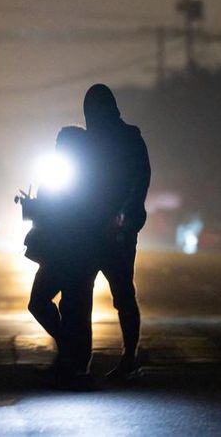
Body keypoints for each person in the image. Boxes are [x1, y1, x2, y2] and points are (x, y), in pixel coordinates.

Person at [25, 126, 102, 388]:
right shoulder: (68, 174)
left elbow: (68, 212)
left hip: (73, 252)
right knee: (57, 305)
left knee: (73, 307)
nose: (59, 148)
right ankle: (70, 358)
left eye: (63, 143)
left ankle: (75, 365)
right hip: (62, 251)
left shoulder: (85, 176)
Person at [83, 83, 150, 380]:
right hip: (88, 227)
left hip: (118, 229)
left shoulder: (129, 139)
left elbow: (140, 181)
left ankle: (130, 355)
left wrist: (125, 214)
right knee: (80, 291)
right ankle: (79, 355)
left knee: (123, 292)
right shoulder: (88, 144)